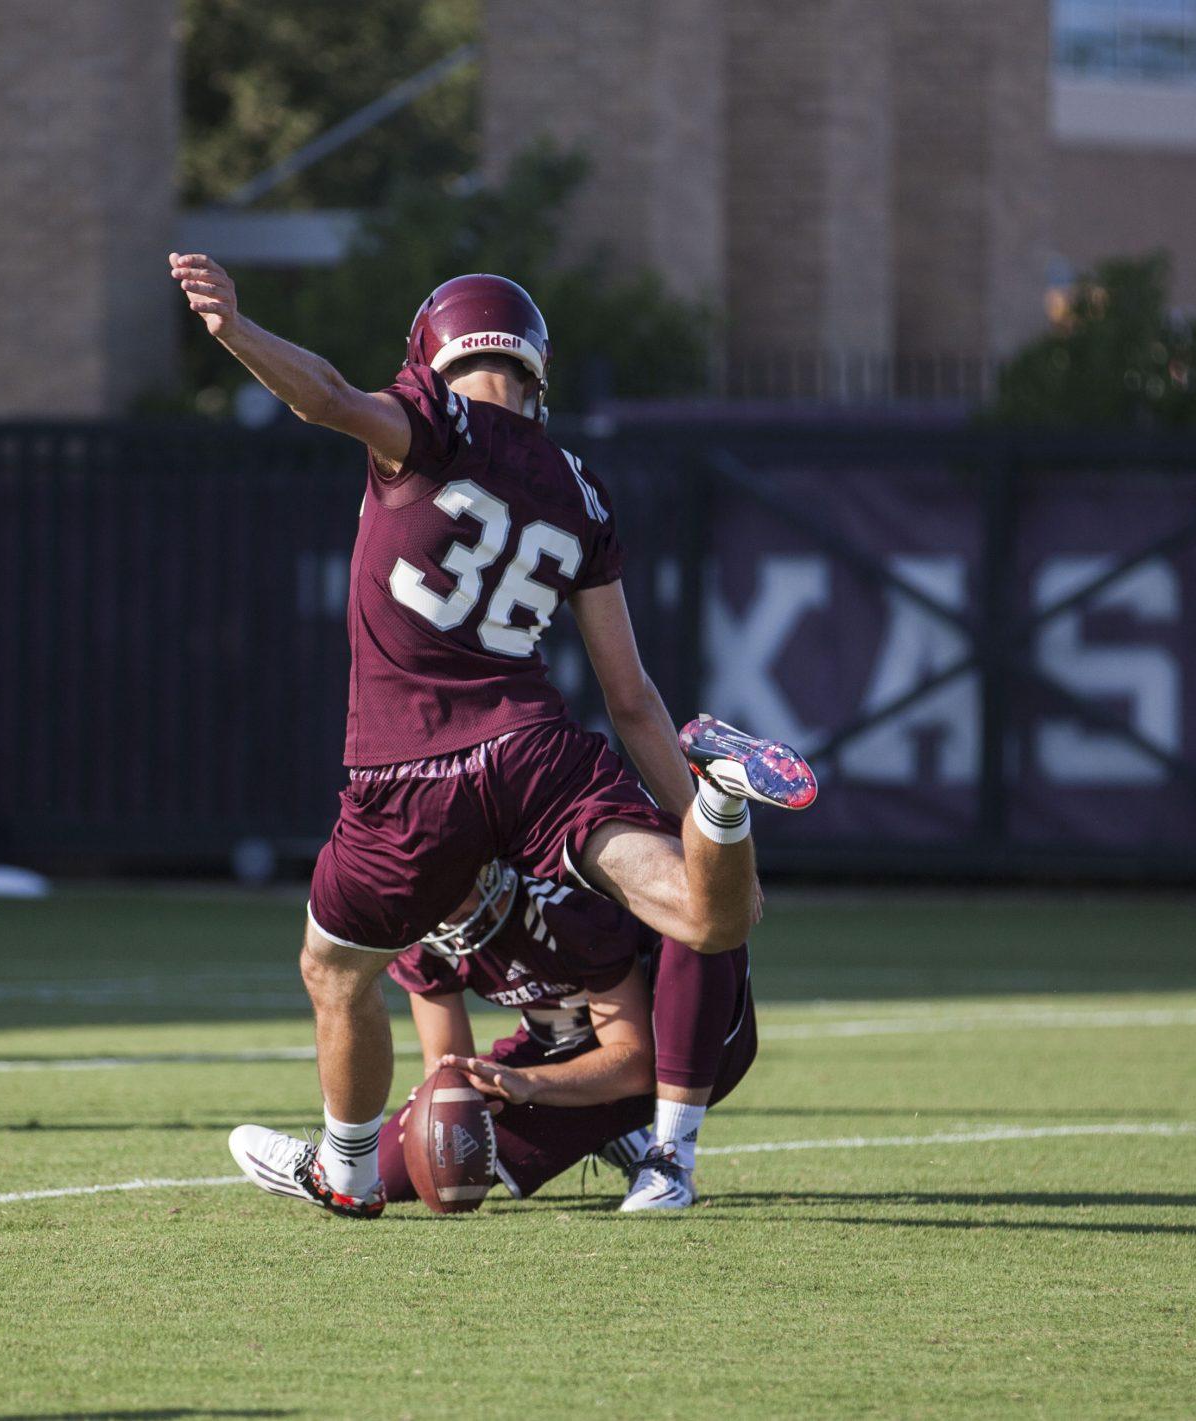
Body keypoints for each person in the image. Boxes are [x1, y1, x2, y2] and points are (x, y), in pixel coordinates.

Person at [171, 254, 816, 1218]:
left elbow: (333, 399)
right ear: (534, 372)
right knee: (710, 916)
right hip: (532, 749)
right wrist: (691, 811)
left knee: (330, 966)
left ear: (433, 357)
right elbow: (633, 697)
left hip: (411, 768)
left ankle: (344, 1169)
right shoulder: (580, 487)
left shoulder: (431, 420)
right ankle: (724, 806)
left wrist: (238, 334)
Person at [372, 862, 758, 1211]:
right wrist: (457, 1100)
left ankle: (669, 1159)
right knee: (393, 1171)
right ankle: (607, 1131)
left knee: (697, 916)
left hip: (671, 1045)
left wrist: (532, 1082)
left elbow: (635, 1061)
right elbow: (448, 1070)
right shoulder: (422, 935)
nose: (437, 908)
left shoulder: (560, 903)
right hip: (556, 1044)